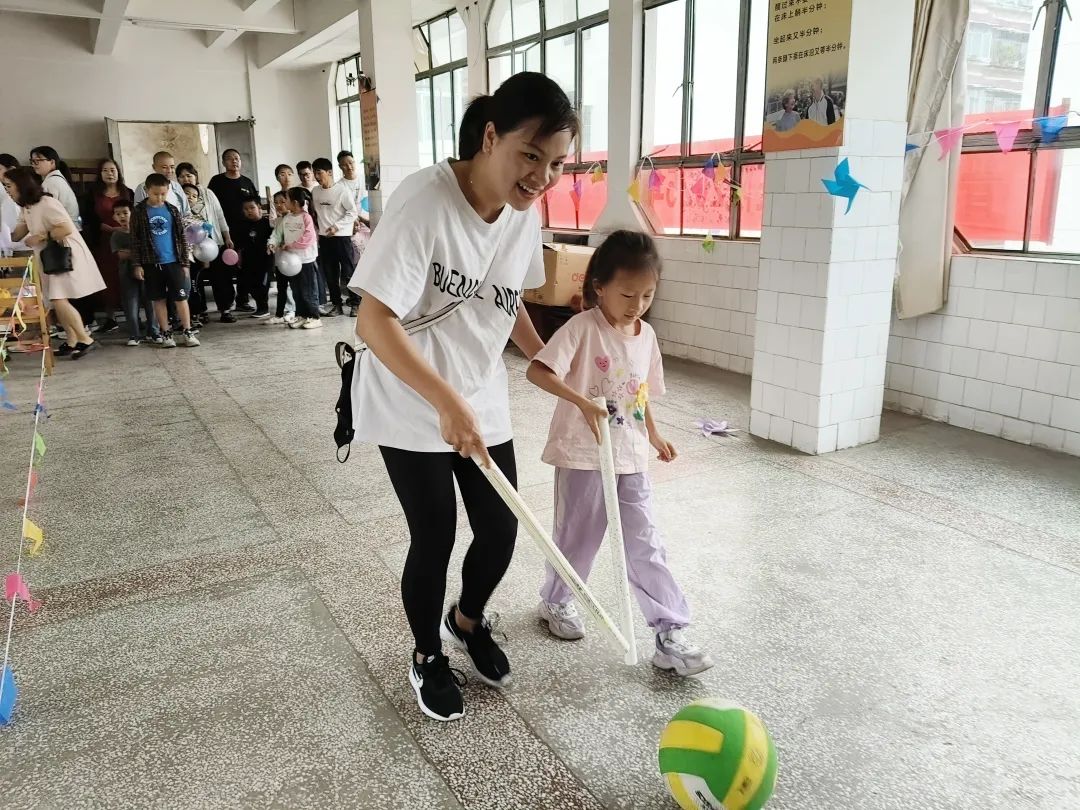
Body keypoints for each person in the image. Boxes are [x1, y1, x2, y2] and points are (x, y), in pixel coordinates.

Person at [349, 72, 574, 722]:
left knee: (501, 529)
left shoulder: (523, 214)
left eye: (556, 163)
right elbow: (373, 320)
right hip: (409, 391)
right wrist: (445, 400)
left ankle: (466, 621)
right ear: (490, 136)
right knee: (435, 534)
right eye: (530, 155)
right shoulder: (425, 199)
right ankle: (426, 654)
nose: (541, 176)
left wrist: (545, 356)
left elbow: (506, 300)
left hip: (478, 390)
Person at [526, 230, 714, 677]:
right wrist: (582, 401)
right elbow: (538, 370)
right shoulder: (581, 328)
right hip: (581, 453)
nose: (637, 304)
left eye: (647, 295)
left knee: (645, 541)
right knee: (578, 536)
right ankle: (556, 601)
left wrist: (654, 434)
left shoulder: (646, 334)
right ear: (599, 287)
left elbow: (640, 392)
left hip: (629, 457)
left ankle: (669, 633)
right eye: (627, 293)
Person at [4, 166, 104, 359]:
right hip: (49, 258)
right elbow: (18, 233)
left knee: (59, 299)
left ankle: (86, 339)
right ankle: (73, 340)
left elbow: (65, 228)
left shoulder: (46, 202)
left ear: (21, 185)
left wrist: (40, 237)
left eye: (9, 186)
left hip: (63, 255)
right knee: (56, 300)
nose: (7, 190)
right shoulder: (28, 207)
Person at [130, 173, 200, 348]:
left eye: (163, 193)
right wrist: (137, 264)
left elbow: (182, 237)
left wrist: (184, 262)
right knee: (158, 299)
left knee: (181, 298)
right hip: (151, 262)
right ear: (147, 191)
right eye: (155, 194)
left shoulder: (172, 210)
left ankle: (187, 331)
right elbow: (135, 240)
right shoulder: (138, 212)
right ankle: (166, 333)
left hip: (174, 261)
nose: (159, 197)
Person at [177, 162, 233, 323]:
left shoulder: (207, 193)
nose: (186, 178)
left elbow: (219, 215)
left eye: (189, 175)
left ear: (195, 176)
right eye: (182, 176)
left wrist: (227, 237)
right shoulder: (177, 195)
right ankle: (199, 311)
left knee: (221, 277)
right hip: (190, 247)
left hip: (213, 242)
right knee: (195, 280)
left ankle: (225, 309)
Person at [82, 158, 131, 333]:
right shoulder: (92, 194)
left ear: (118, 172)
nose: (110, 173)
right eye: (105, 170)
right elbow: (87, 218)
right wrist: (106, 227)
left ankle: (132, 316)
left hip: (126, 240)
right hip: (102, 242)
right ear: (100, 174)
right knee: (107, 278)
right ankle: (110, 318)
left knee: (127, 276)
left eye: (113, 170)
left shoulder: (128, 192)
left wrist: (124, 228)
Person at [208, 149, 259, 311]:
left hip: (245, 232)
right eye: (230, 159)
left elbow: (254, 205)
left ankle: (242, 300)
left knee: (246, 267)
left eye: (237, 158)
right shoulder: (216, 182)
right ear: (223, 162)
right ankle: (225, 305)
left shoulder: (247, 182)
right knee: (224, 270)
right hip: (223, 232)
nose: (234, 161)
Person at [268, 187, 322, 329]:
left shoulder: (306, 217)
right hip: (293, 262)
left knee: (308, 290)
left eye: (287, 200)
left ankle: (314, 317)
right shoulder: (287, 218)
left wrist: (290, 245)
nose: (284, 203)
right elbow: (277, 234)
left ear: (296, 202)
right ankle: (302, 316)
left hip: (306, 260)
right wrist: (272, 243)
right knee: (297, 291)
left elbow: (309, 238)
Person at [110, 199, 160, 346]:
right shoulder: (116, 235)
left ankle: (154, 332)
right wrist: (139, 252)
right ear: (114, 217)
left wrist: (134, 252)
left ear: (132, 213)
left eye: (125, 212)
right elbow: (121, 255)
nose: (122, 216)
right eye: (118, 214)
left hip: (147, 271)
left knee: (150, 302)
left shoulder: (142, 231)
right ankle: (134, 334)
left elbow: (150, 249)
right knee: (131, 304)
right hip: (126, 273)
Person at [312, 157, 357, 318]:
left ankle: (355, 304)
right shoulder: (315, 192)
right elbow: (316, 213)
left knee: (348, 272)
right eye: (314, 173)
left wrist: (336, 226)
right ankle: (337, 305)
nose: (316, 176)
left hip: (341, 238)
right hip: (325, 239)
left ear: (329, 172)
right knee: (330, 274)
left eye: (319, 172)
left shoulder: (342, 190)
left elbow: (352, 212)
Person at [336, 150, 371, 316]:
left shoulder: (365, 182)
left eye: (351, 162)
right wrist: (355, 221)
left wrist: (365, 220)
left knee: (370, 262)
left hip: (367, 225)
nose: (348, 166)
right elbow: (343, 211)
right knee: (354, 264)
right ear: (340, 166)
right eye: (344, 164)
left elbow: (369, 204)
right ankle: (357, 300)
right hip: (351, 229)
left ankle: (370, 299)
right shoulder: (339, 186)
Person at [233, 197, 273, 319]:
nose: (249, 211)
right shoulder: (241, 226)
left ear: (259, 208)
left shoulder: (268, 224)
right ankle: (259, 306)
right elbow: (239, 245)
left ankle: (263, 308)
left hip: (264, 261)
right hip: (248, 261)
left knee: (262, 285)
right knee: (250, 284)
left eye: (252, 208)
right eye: (245, 209)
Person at [29, 146, 81, 227]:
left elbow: (46, 213)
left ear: (52, 162)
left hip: (67, 232)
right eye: (32, 161)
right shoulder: (55, 178)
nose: (34, 165)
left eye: (38, 161)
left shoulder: (52, 182)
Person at [133, 151, 190, 217]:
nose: (169, 171)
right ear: (154, 167)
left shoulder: (176, 187)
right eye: (164, 167)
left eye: (172, 167)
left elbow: (186, 212)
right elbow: (138, 214)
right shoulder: (143, 188)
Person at [0, 154, 28, 252]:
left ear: (12, 169)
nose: (7, 189)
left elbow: (12, 232)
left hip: (22, 250)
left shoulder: (12, 199)